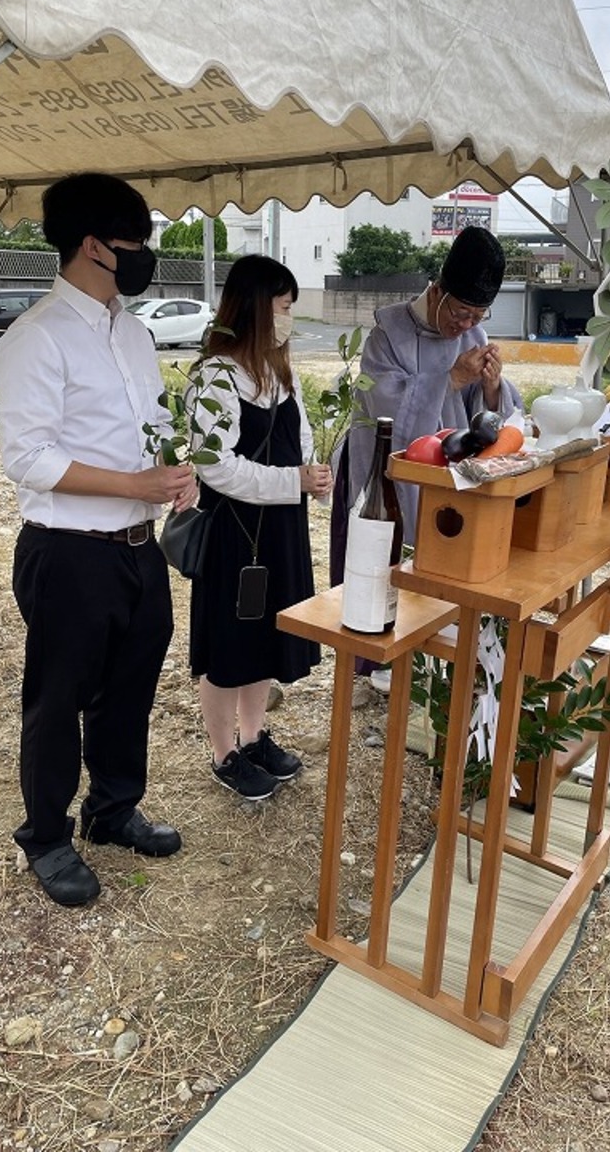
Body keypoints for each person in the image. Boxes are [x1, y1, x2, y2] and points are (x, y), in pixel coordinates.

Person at [0, 172, 196, 907]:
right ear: (90, 245)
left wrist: (173, 474)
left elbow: (155, 426)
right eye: (133, 245)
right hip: (70, 550)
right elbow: (31, 458)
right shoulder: (36, 338)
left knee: (131, 689)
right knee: (57, 698)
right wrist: (133, 485)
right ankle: (46, 837)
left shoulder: (134, 335)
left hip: (140, 548)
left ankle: (112, 810)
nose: (144, 258)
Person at [332, 225, 522, 696]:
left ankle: (427, 659)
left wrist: (492, 388)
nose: (466, 324)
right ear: (436, 292)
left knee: (440, 563)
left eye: (478, 314)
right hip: (383, 478)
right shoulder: (386, 334)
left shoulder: (472, 332)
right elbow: (385, 413)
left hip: (444, 476)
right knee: (381, 567)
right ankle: (372, 664)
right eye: (460, 310)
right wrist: (450, 380)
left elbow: (488, 417)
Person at [188, 254, 331, 801]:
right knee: (229, 642)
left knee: (265, 637)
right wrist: (290, 481)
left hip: (280, 530)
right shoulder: (216, 375)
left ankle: (253, 737)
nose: (290, 318)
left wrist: (314, 479)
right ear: (254, 308)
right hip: (236, 534)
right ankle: (223, 752)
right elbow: (213, 464)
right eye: (285, 306)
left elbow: (302, 442)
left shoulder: (277, 372)